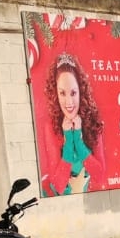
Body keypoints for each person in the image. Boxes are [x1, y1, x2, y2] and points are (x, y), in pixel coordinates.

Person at [40, 53, 105, 197]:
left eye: (73, 93)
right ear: (55, 94)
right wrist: (69, 141)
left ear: (81, 92)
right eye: (62, 93)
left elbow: (99, 176)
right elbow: (59, 185)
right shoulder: (51, 127)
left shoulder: (93, 122)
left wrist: (78, 141)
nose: (69, 102)